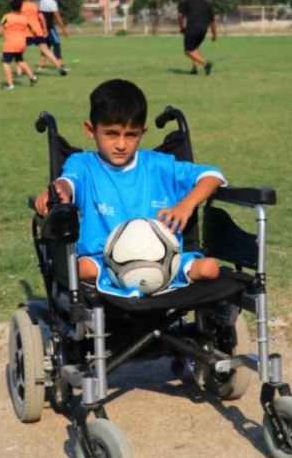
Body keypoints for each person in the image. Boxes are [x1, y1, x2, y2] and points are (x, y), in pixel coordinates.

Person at [34, 79, 224, 297]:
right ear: (90, 130)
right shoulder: (83, 164)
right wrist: (58, 190)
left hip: (165, 262)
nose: (121, 144)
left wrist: (186, 205)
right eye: (111, 134)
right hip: (106, 263)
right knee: (82, 268)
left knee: (210, 268)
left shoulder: (159, 165)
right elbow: (68, 182)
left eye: (131, 135)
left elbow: (212, 176)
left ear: (143, 131)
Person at [0, 0, 40, 90]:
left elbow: (1, 27)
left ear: (11, 7)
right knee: (19, 60)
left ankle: (10, 84)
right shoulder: (23, 18)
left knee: (5, 62)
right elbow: (30, 29)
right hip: (21, 43)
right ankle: (33, 77)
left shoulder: (7, 17)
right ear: (20, 8)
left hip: (11, 43)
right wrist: (36, 35)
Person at [18, 0, 66, 78]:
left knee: (19, 52)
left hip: (26, 31)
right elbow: (41, 16)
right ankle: (59, 67)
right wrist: (44, 28)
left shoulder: (20, 6)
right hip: (38, 30)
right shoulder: (34, 5)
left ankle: (19, 72)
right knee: (46, 50)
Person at [177, 0, 217, 75]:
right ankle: (194, 69)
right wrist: (214, 34)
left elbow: (180, 15)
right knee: (194, 48)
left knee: (188, 51)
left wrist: (181, 27)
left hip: (192, 28)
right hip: (203, 30)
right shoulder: (207, 4)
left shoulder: (189, 0)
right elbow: (212, 22)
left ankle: (206, 63)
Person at [36, 0, 71, 72]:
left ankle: (41, 65)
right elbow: (57, 16)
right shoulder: (52, 2)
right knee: (56, 44)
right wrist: (64, 29)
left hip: (42, 27)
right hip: (50, 27)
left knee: (46, 45)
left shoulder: (42, 0)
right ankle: (60, 64)